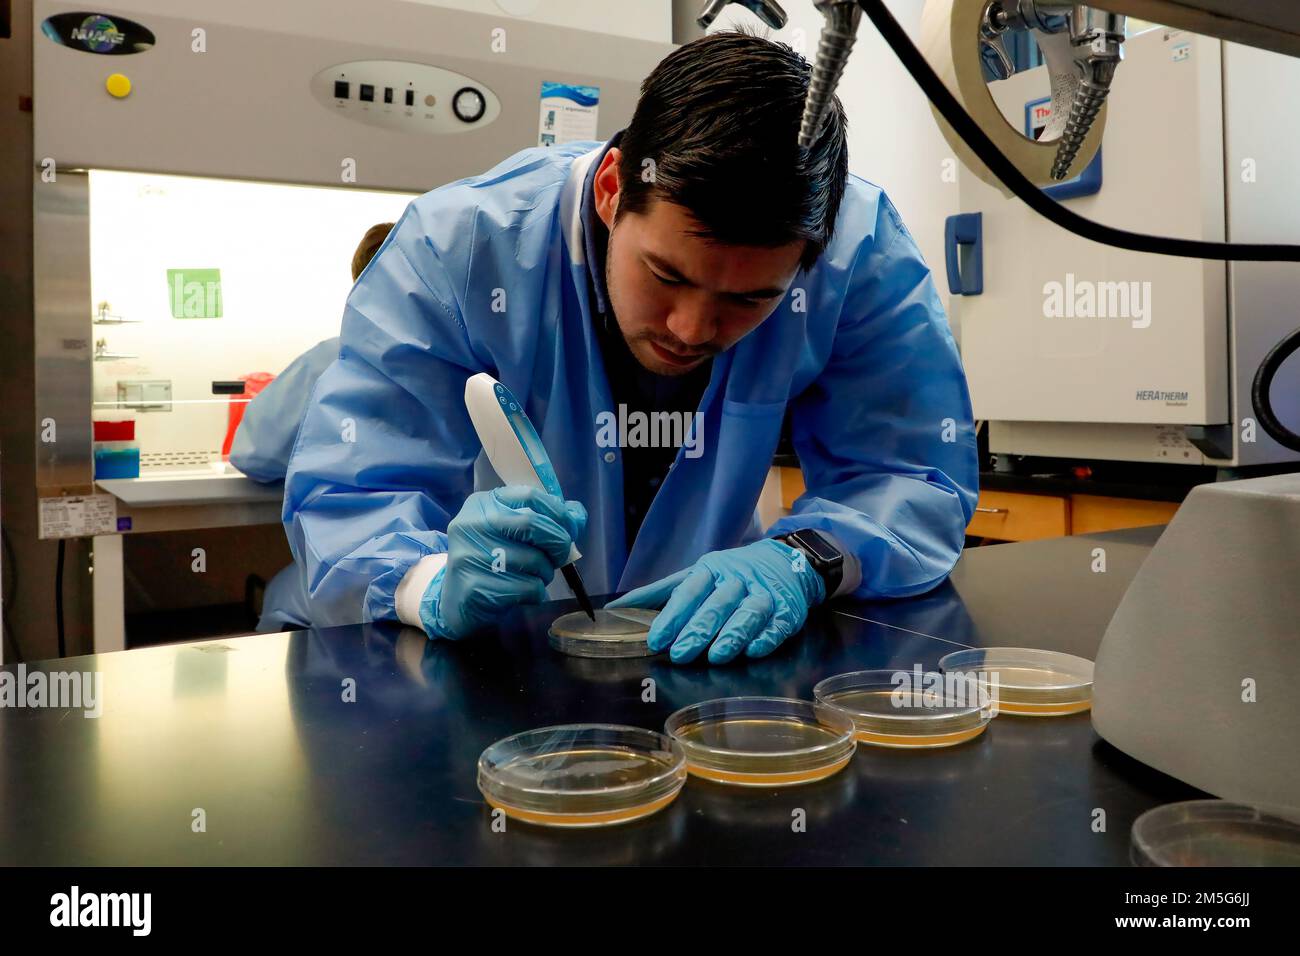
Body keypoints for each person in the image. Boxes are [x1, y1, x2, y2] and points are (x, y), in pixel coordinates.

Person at [282, 31, 979, 665]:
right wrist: (432, 583)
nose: (692, 330)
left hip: (713, 656)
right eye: (666, 276)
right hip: (499, 660)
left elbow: (911, 474)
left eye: (749, 299)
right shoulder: (457, 247)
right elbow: (355, 496)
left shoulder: (857, 253)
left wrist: (807, 557)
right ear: (613, 189)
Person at [230, 222, 394, 630]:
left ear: (360, 287)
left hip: (357, 575)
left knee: (285, 594)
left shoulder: (332, 359)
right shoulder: (470, 364)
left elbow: (254, 454)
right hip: (447, 566)